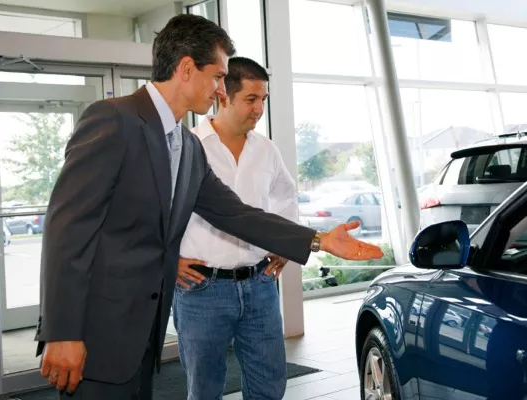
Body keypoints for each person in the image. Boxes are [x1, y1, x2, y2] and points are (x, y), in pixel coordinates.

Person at [35, 14, 383, 400]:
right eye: (217, 76)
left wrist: (318, 240)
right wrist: (62, 331)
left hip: (141, 337)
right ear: (186, 68)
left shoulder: (186, 147)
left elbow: (236, 214)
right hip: (96, 334)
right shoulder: (114, 120)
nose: (221, 88)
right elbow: (67, 228)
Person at [173, 56, 298, 400]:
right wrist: (169, 261)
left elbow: (286, 200)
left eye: (263, 100)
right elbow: (157, 213)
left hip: (260, 285)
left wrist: (286, 246)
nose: (259, 109)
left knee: (269, 385)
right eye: (251, 99)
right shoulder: (187, 147)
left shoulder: (267, 150)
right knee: (204, 388)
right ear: (223, 96)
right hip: (201, 289)